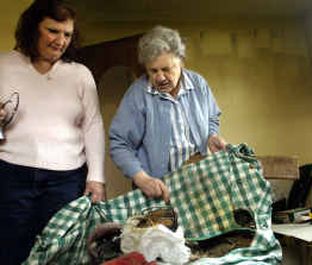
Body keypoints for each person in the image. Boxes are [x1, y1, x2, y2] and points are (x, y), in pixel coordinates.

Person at [0, 0, 106, 264]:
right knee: (11, 250)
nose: (60, 40)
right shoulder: (3, 65)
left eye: (67, 34)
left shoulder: (80, 74)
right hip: (12, 176)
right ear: (33, 29)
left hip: (67, 180)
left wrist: (96, 177)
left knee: (61, 253)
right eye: (53, 31)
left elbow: (93, 125)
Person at [109, 25, 226, 204]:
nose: (160, 78)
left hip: (198, 183)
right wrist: (141, 178)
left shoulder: (198, 84)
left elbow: (212, 117)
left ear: (181, 62)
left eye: (166, 69)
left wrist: (211, 136)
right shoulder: (137, 94)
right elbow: (119, 144)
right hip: (156, 189)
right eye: (153, 71)